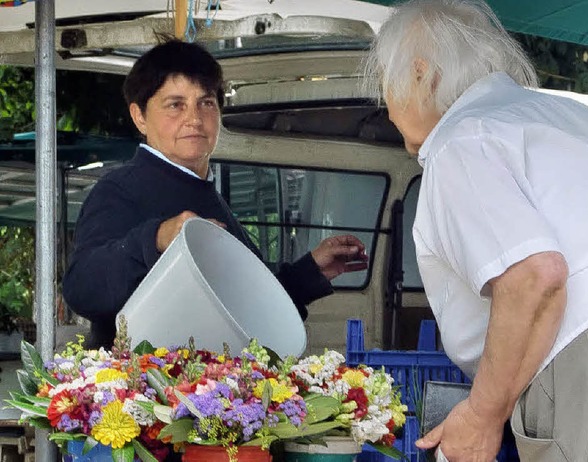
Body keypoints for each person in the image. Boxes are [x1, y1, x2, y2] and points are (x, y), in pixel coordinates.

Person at [363, 1, 588, 461]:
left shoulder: (460, 140)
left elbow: (535, 276)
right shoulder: (577, 119)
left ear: (419, 75)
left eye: (384, 87)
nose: (388, 113)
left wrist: (481, 415)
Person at [62, 39, 368, 349]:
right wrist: (156, 238)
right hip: (135, 391)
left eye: (206, 102)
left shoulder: (210, 197)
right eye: (175, 104)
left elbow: (246, 302)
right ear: (139, 116)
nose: (194, 118)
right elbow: (81, 289)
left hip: (211, 390)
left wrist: (311, 270)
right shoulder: (119, 190)